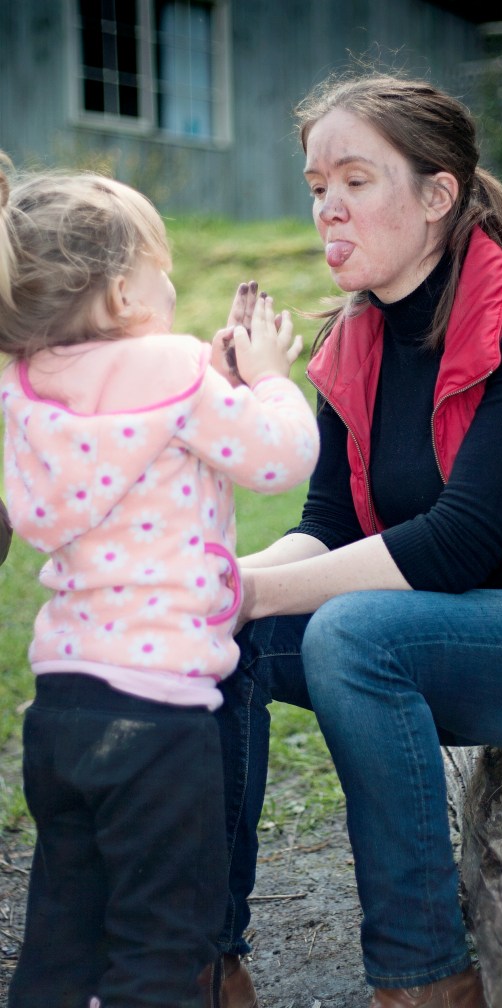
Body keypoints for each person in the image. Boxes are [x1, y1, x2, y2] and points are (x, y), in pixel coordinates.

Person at [203, 70, 502, 1008]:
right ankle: (208, 962)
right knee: (222, 635)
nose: (328, 208)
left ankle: (423, 980)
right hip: (466, 643)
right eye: (315, 186)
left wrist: (249, 590)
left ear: (437, 195)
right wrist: (213, 581)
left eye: (356, 181)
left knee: (352, 634)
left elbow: (455, 546)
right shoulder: (355, 339)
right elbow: (328, 528)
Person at [0, 163, 319, 1008]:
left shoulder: (27, 383)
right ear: (117, 293)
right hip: (160, 716)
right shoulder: (174, 368)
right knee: (164, 944)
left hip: (63, 709)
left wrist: (209, 384)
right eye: (161, 266)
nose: (172, 282)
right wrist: (268, 379)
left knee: (63, 936)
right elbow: (280, 455)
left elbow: (134, 428)